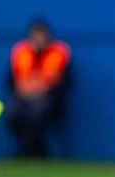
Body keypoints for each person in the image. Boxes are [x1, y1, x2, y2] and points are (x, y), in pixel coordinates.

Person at [6, 19, 71, 158]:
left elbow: (61, 81)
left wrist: (40, 89)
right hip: (22, 96)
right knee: (12, 112)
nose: (39, 39)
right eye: (36, 35)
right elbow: (11, 79)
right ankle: (27, 149)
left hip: (47, 97)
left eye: (42, 35)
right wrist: (23, 90)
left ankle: (36, 151)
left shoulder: (59, 52)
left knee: (38, 112)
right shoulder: (21, 50)